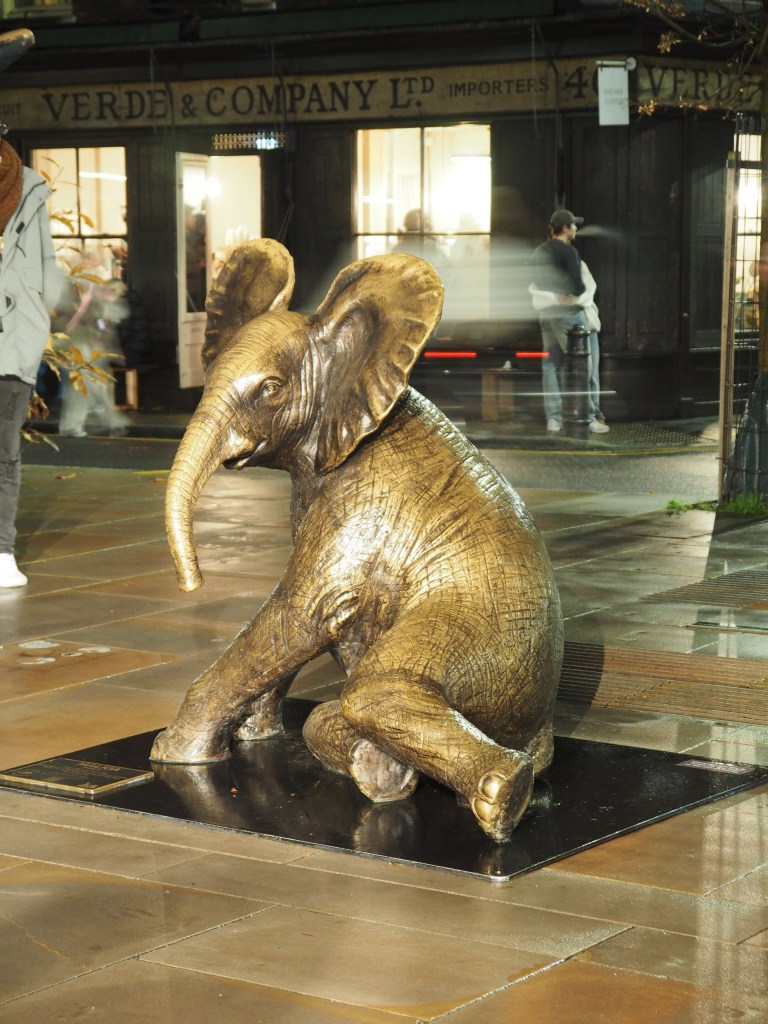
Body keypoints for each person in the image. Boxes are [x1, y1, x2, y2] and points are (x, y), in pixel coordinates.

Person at [0, 135, 65, 588]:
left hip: (14, 344)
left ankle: (2, 551)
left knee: (4, 453)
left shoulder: (27, 189)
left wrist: (45, 317)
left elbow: (46, 266)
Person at [530, 209, 609, 434]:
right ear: (565, 228)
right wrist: (569, 295)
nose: (576, 229)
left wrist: (553, 296)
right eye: (573, 225)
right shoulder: (569, 251)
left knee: (550, 365)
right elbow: (578, 286)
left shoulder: (540, 250)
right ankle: (588, 417)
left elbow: (536, 281)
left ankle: (553, 419)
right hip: (569, 314)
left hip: (547, 314)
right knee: (583, 366)